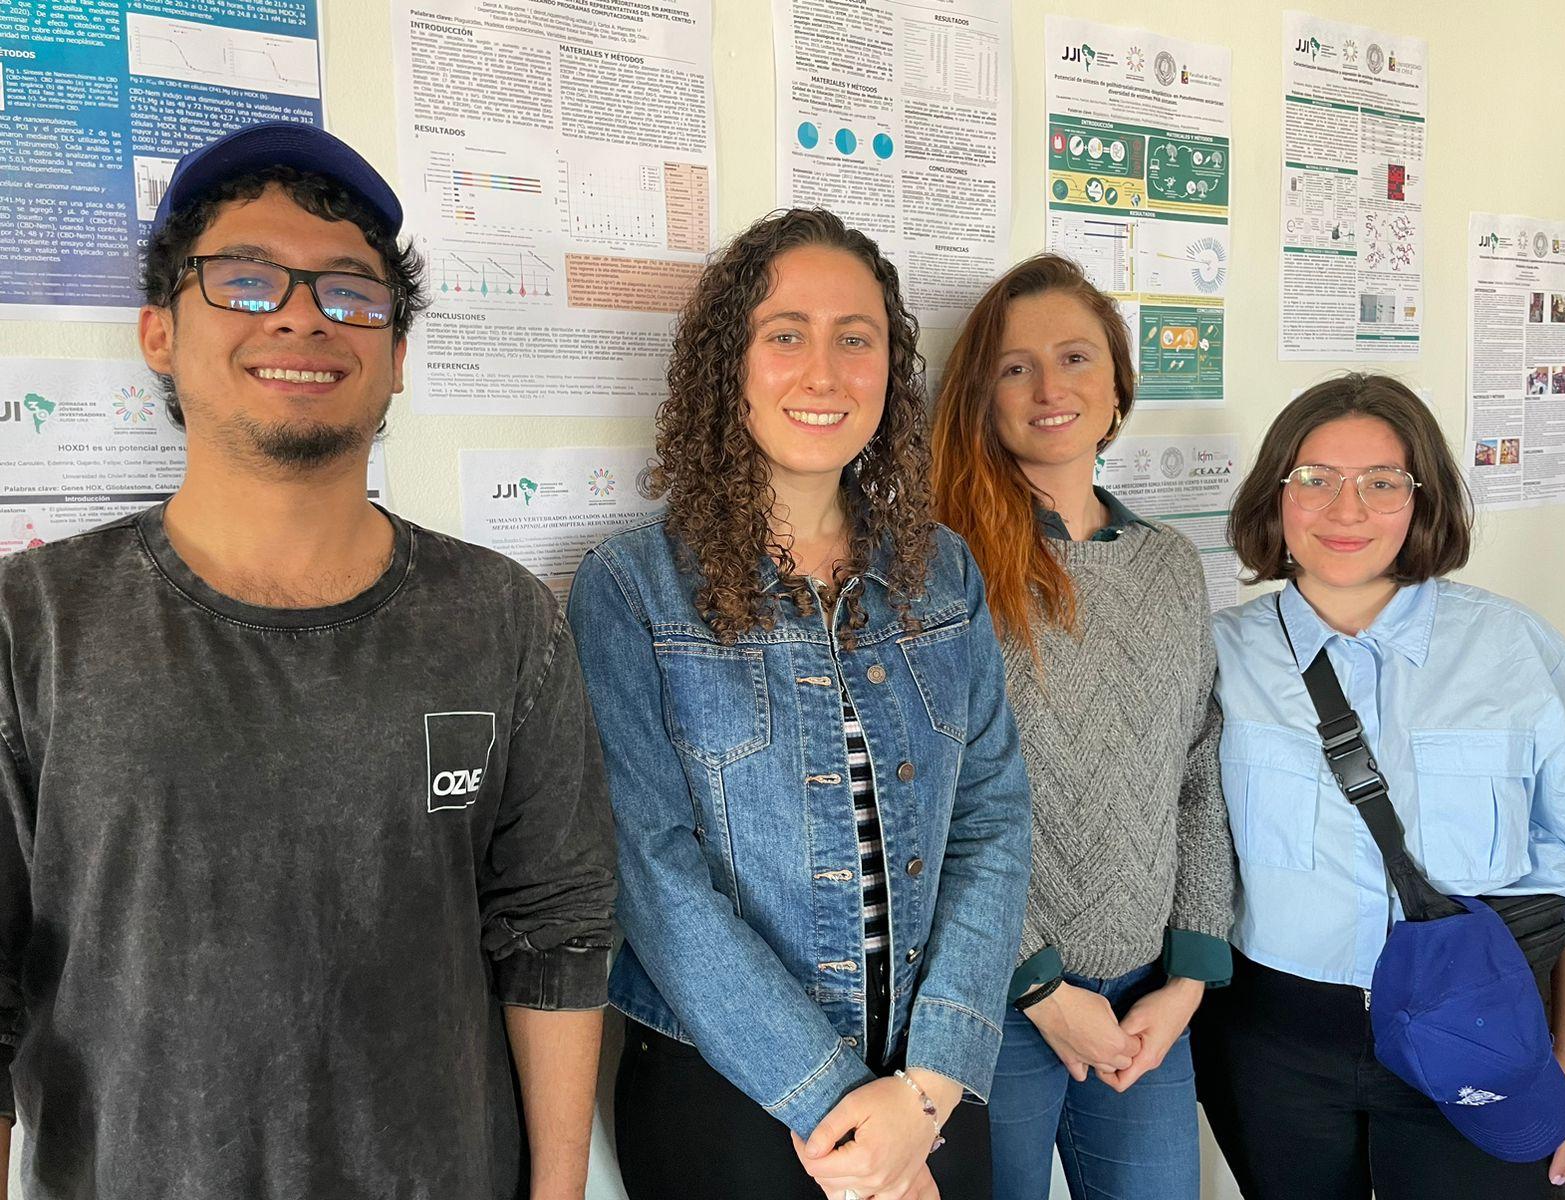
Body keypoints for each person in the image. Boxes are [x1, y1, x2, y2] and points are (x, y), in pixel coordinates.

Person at [0, 122, 617, 1199]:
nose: (300, 315)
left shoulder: (500, 618)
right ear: (158, 333)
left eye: (350, 291)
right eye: (245, 280)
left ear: (397, 358)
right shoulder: (33, 625)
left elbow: (556, 933)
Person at [567, 208, 1032, 1200]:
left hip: (930, 1083)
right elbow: (652, 876)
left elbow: (992, 821)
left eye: (855, 339)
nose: (824, 373)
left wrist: (926, 1091)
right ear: (727, 366)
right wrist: (841, 1107)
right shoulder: (632, 590)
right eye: (786, 335)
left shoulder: (943, 573)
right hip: (727, 1094)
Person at [1193, 373, 1565, 1199]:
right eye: (1315, 479)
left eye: (1383, 482)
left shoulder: (1515, 650)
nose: (1347, 510)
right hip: (1274, 1045)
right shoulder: (1216, 656)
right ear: (1276, 496)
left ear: (1422, 500)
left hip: (1480, 1027)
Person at [930, 253, 1235, 1200]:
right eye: (1015, 367)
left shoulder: (1170, 563)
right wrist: (1037, 983)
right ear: (982, 396)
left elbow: (1197, 767)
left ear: (1117, 385)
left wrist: (1188, 975)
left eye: (1075, 358)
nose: (1049, 388)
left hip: (1147, 1001)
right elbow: (929, 798)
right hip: (991, 1000)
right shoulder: (942, 564)